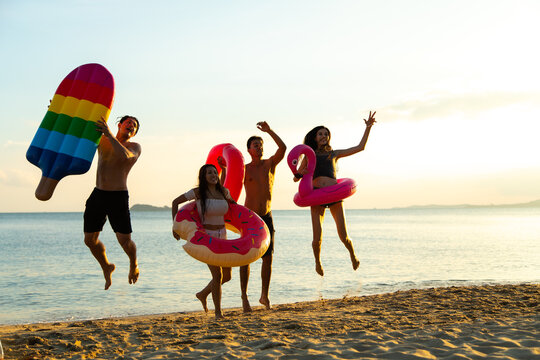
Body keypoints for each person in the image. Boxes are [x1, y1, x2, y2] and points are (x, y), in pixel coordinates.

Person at [297, 111, 376, 276]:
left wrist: (368, 128)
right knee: (317, 238)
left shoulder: (334, 154)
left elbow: (360, 147)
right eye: (320, 134)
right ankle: (318, 262)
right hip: (317, 196)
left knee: (344, 236)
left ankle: (353, 255)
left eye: (326, 134)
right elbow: (296, 177)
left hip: (335, 196)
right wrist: (300, 172)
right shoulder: (309, 156)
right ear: (315, 137)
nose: (324, 136)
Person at [83, 115, 142, 290]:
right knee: (89, 240)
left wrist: (109, 135)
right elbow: (78, 130)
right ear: (120, 125)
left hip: (118, 197)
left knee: (124, 241)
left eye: (134, 126)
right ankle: (106, 266)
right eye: (128, 123)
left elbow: (126, 157)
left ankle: (133, 263)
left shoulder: (134, 147)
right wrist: (57, 109)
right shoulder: (102, 140)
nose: (131, 126)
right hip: (99, 194)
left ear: (135, 132)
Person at [171, 163, 235, 319]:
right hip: (207, 237)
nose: (213, 175)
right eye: (209, 173)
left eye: (215, 172)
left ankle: (203, 294)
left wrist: (225, 170)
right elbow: (175, 202)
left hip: (223, 235)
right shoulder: (198, 193)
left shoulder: (224, 192)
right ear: (203, 177)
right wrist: (175, 226)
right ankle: (218, 313)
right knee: (218, 275)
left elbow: (235, 208)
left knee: (227, 275)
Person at [240, 121, 286, 312]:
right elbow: (229, 185)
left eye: (261, 145)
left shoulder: (269, 164)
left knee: (268, 258)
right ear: (249, 149)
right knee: (246, 258)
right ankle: (244, 297)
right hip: (249, 217)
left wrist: (269, 131)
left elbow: (283, 148)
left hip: (266, 216)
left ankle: (264, 296)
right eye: (256, 145)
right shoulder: (244, 169)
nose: (259, 147)